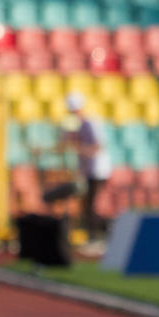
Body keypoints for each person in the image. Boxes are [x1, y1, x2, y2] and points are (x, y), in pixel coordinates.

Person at [60, 92, 113, 242]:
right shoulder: (79, 125)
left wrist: (77, 147)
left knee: (90, 203)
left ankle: (99, 233)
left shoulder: (91, 123)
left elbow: (97, 147)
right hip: (88, 169)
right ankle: (95, 233)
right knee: (86, 203)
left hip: (97, 170)